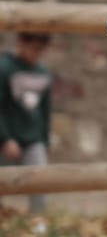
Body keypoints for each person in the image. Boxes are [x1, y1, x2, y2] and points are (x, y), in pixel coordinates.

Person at [0, 31, 53, 214]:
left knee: (40, 182)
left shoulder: (43, 73)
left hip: (33, 138)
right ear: (21, 42)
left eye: (41, 50)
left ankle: (38, 224)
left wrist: (45, 140)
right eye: (34, 49)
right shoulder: (4, 68)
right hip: (6, 139)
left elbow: (45, 111)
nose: (37, 54)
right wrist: (5, 138)